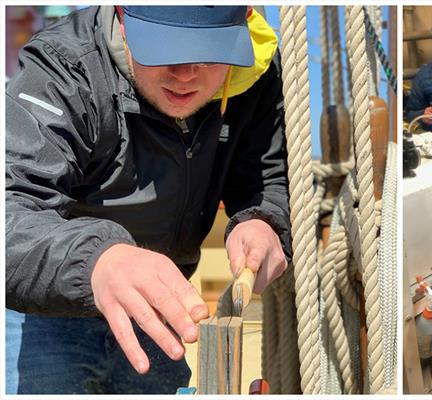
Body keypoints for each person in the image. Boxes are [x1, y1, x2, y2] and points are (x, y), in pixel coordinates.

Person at [6, 6, 291, 394]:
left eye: (209, 52)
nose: (186, 73)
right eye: (165, 50)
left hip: (163, 313)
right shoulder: (63, 69)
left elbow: (266, 175)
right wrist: (98, 261)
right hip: (51, 306)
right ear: (123, 22)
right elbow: (11, 207)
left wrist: (262, 219)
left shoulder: (254, 71)